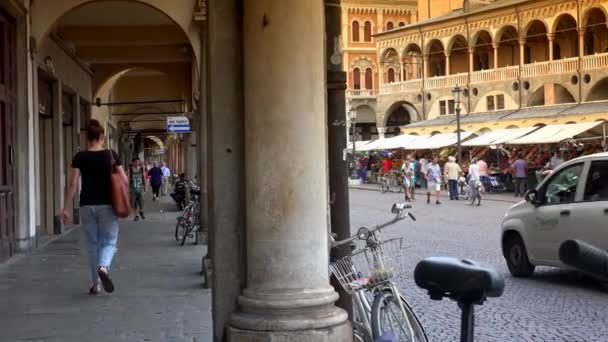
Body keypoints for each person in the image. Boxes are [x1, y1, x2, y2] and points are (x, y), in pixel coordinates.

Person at [61, 119, 128, 295]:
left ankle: (95, 284)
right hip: (107, 205)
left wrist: (66, 207)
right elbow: (125, 180)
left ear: (87, 137)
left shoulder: (80, 157)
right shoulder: (111, 155)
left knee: (92, 245)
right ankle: (104, 267)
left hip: (86, 205)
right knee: (110, 241)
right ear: (101, 137)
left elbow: (72, 184)